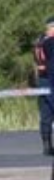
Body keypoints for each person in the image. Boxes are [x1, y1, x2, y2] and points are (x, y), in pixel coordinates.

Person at [36, 16, 54, 157]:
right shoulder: (50, 42)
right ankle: (47, 145)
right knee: (47, 112)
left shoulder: (40, 41)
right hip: (48, 78)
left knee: (46, 113)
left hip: (42, 79)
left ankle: (47, 145)